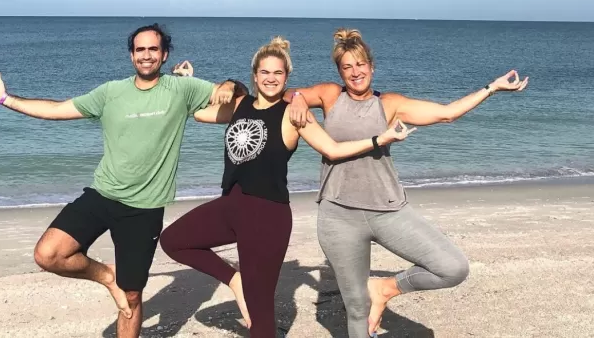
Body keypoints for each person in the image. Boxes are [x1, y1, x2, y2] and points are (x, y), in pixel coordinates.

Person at [0, 23, 246, 338]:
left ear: (164, 54)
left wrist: (229, 83)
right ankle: (107, 275)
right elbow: (56, 110)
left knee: (131, 296)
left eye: (153, 49)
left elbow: (239, 101)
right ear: (131, 56)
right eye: (140, 49)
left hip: (145, 208)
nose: (146, 55)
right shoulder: (111, 92)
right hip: (103, 194)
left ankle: (122, 288)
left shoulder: (182, 89)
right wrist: (5, 98)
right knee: (48, 254)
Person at [159, 36, 416, 337]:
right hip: (230, 204)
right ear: (254, 75)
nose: (270, 79)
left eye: (278, 73)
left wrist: (380, 139)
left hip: (267, 215)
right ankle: (235, 280)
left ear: (287, 78)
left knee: (260, 311)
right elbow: (199, 111)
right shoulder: (239, 105)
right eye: (264, 72)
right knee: (173, 241)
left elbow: (332, 149)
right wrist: (185, 82)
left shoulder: (292, 114)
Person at [283, 28, 529, 337]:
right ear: (339, 71)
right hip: (338, 215)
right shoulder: (331, 95)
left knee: (452, 267)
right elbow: (282, 91)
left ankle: (384, 289)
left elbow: (447, 114)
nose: (355, 72)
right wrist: (297, 99)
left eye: (360, 65)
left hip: (387, 210)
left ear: (371, 67)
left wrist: (491, 87)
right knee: (356, 308)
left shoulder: (390, 104)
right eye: (347, 67)